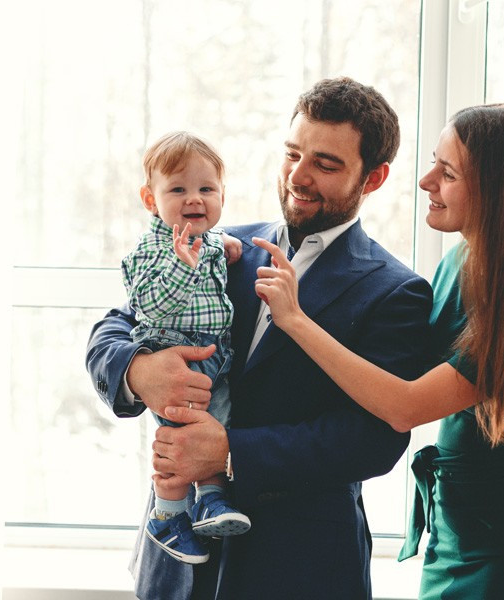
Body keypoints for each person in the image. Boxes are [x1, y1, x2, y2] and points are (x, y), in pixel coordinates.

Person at [86, 77, 435, 600]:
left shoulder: (396, 291)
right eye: (293, 153)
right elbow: (110, 330)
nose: (298, 175)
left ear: (375, 177)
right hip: (178, 570)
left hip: (300, 568)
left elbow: (372, 441)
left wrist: (230, 452)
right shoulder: (215, 246)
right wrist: (139, 372)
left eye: (326, 163)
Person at [252, 103, 504, 599]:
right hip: (459, 523)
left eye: (447, 172)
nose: (426, 180)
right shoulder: (460, 262)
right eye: (434, 162)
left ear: (498, 190)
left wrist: (296, 320)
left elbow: (405, 405)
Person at [120, 131, 249, 566]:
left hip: (216, 360)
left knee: (215, 432)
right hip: (172, 356)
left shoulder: (211, 242)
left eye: (206, 189)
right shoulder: (153, 249)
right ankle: (167, 514)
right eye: (178, 189)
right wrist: (182, 266)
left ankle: (212, 501)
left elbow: (214, 247)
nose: (194, 199)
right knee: (179, 441)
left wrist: (224, 244)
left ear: (222, 196)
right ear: (150, 199)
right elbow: (147, 305)